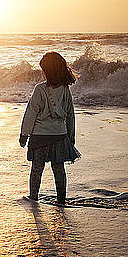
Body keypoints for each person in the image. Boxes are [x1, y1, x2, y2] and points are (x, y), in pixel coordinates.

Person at [20, 52, 81, 205]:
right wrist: (71, 137)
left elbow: (31, 112)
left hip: (39, 136)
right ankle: (61, 200)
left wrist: (24, 134)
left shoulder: (40, 89)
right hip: (59, 135)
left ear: (47, 71)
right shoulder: (65, 90)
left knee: (37, 169)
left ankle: (33, 197)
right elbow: (70, 115)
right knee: (59, 169)